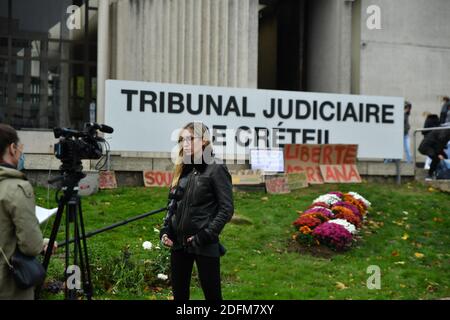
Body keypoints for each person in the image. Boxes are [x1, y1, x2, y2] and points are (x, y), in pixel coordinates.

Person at [160, 122, 234, 300]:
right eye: (182, 139)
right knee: (180, 296)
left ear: (204, 141)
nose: (185, 143)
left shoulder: (216, 167)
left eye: (190, 139)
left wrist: (205, 235)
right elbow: (172, 204)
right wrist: (166, 230)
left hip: (203, 243)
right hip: (178, 243)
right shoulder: (183, 168)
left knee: (213, 296)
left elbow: (226, 208)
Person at [0, 124, 53, 300]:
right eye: (20, 147)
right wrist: (41, 243)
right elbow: (30, 246)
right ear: (12, 148)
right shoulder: (16, 188)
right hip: (8, 287)